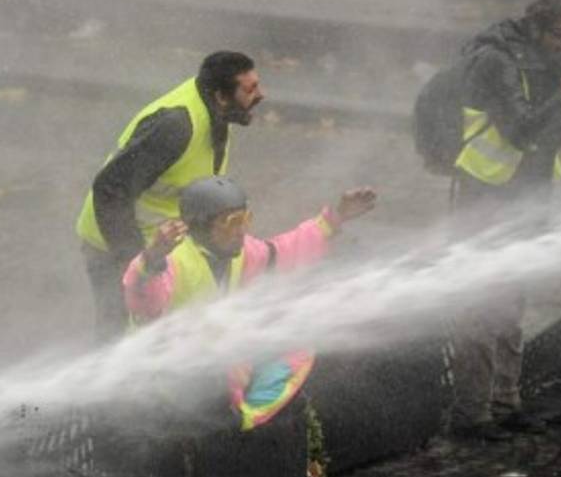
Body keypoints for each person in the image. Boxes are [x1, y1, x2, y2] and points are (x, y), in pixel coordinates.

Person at [446, 0, 561, 440]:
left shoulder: (545, 58)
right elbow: (519, 130)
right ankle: (471, 414)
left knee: (511, 300)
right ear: (537, 27)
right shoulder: (498, 61)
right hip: (485, 196)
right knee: (480, 303)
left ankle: (505, 402)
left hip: (526, 193)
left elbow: (549, 130)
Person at [123, 176, 377, 431]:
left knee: (295, 343)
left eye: (245, 219)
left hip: (213, 363)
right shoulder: (173, 262)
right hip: (168, 380)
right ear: (200, 225)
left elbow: (284, 251)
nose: (241, 230)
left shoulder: (242, 252)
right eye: (232, 222)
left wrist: (336, 218)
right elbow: (144, 303)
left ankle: (241, 421)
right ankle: (228, 424)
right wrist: (152, 259)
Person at [76, 51, 265, 342]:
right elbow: (110, 189)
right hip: (115, 242)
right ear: (221, 96)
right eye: (250, 89)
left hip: (160, 244)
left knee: (161, 329)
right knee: (120, 335)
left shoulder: (215, 113)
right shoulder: (176, 126)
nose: (261, 95)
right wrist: (137, 262)